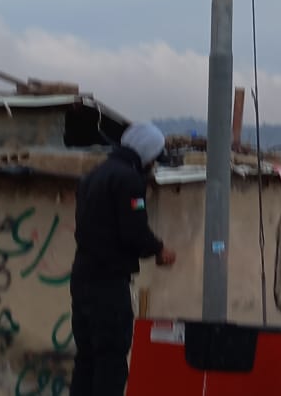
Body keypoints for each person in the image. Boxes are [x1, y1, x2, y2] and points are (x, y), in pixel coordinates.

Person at [69, 122, 177, 396]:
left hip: (82, 280)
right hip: (108, 284)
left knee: (86, 360)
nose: (153, 165)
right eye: (154, 159)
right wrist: (158, 249)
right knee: (111, 361)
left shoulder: (92, 176)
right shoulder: (129, 180)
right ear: (147, 155)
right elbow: (133, 230)